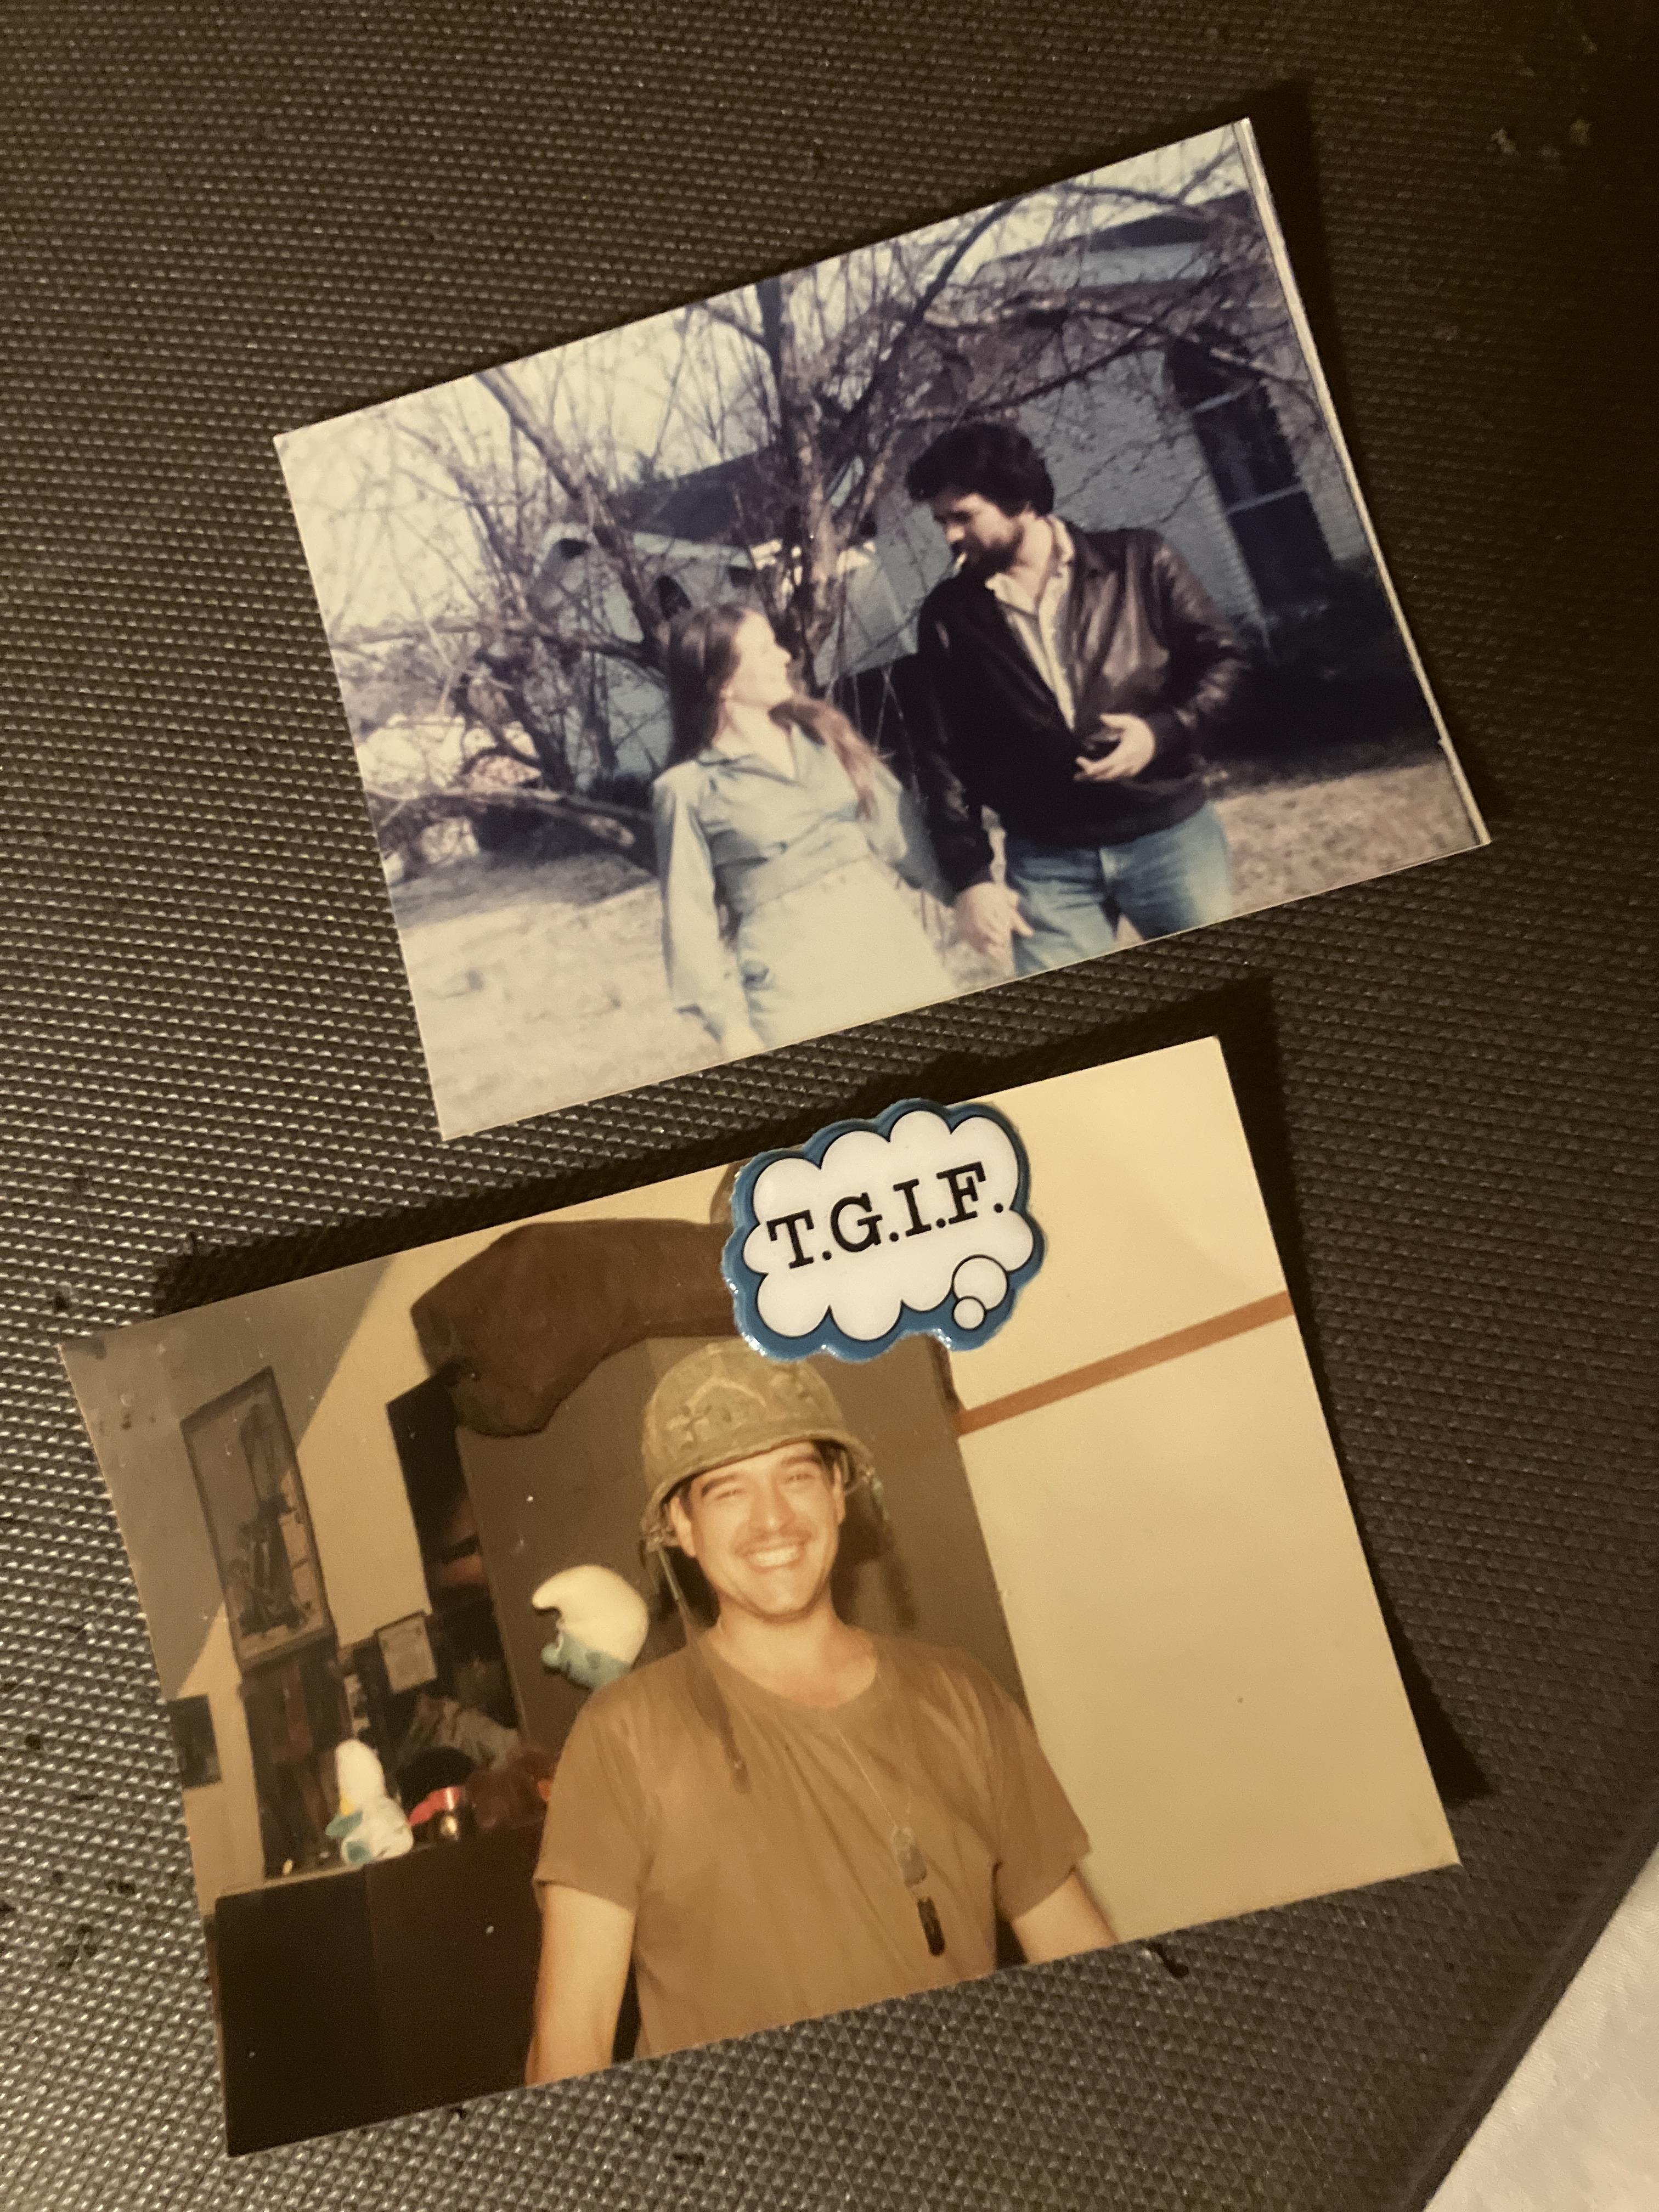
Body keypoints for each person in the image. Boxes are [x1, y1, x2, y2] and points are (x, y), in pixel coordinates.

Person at [525, 1342, 1115, 2080]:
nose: (773, 1520)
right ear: (680, 1525)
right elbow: (569, 2045)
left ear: (839, 1492)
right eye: (728, 1491)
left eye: (796, 1476)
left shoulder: (962, 1698)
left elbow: (1085, 1965)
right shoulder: (624, 1737)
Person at [904, 420, 1250, 974]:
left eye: (962, 517)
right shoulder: (949, 616)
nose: (949, 536)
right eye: (941, 521)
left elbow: (1225, 662)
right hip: (1046, 860)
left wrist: (1161, 731)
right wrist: (969, 876)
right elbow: (941, 755)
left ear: (1018, 500)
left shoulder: (1141, 561)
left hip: (1170, 837)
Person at [652, 603, 956, 1058]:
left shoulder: (825, 736)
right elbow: (688, 918)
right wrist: (729, 1027)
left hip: (889, 947)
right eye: (764, 649)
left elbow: (900, 831)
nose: (785, 658)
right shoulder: (686, 790)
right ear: (724, 681)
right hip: (796, 986)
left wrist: (967, 895)